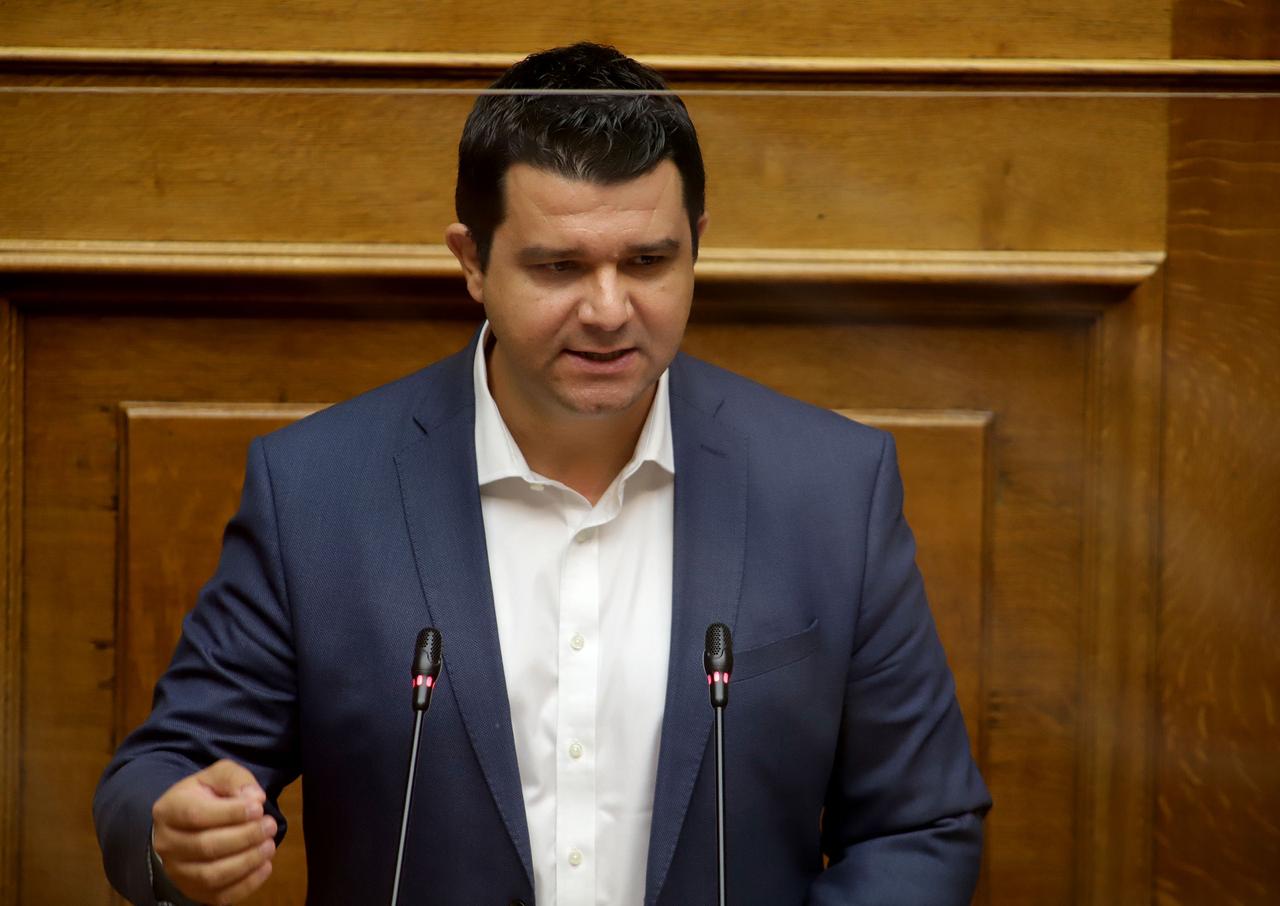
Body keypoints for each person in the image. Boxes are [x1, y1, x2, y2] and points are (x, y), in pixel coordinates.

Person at [94, 42, 990, 906]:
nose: (608, 309)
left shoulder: (832, 489)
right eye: (560, 266)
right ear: (472, 263)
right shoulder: (317, 493)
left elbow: (919, 825)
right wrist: (176, 838)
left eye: (648, 262)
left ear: (697, 244)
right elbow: (165, 773)